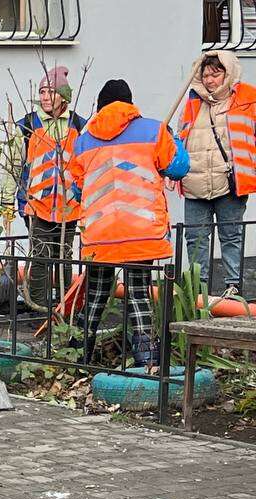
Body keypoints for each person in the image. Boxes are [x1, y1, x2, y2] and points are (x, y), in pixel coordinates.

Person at [68, 79, 189, 365]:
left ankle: (77, 355)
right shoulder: (154, 131)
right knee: (138, 294)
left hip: (100, 234)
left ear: (100, 106)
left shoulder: (83, 141)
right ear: (130, 103)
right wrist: (174, 140)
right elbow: (179, 168)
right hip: (141, 231)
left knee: (96, 294)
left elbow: (77, 188)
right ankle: (147, 361)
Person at [3, 66, 86, 316]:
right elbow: (12, 165)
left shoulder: (78, 125)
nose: (45, 97)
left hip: (69, 205)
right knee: (40, 257)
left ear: (64, 96)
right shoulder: (27, 125)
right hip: (36, 204)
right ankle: (38, 310)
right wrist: (7, 201)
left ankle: (64, 310)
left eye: (51, 91)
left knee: (65, 258)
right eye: (42, 92)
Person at [179, 51, 256, 299]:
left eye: (216, 74)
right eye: (205, 75)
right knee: (195, 239)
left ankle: (233, 288)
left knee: (231, 236)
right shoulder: (193, 102)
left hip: (230, 182)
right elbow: (183, 137)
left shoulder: (247, 99)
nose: (210, 80)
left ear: (228, 73)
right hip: (195, 183)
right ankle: (198, 290)